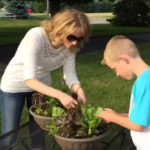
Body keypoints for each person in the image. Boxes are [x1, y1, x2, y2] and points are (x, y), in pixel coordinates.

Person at [0, 9, 90, 149]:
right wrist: (60, 95)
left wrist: (79, 90)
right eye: (72, 37)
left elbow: (70, 76)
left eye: (79, 39)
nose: (75, 43)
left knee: (38, 130)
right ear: (60, 30)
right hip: (14, 86)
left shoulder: (70, 48)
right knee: (10, 134)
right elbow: (29, 79)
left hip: (42, 87)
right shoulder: (36, 35)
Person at [97, 35, 150, 150]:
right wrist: (118, 115)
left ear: (124, 60)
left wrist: (111, 117)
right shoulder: (146, 79)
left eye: (114, 68)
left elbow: (138, 125)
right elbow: (143, 117)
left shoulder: (144, 83)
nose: (117, 74)